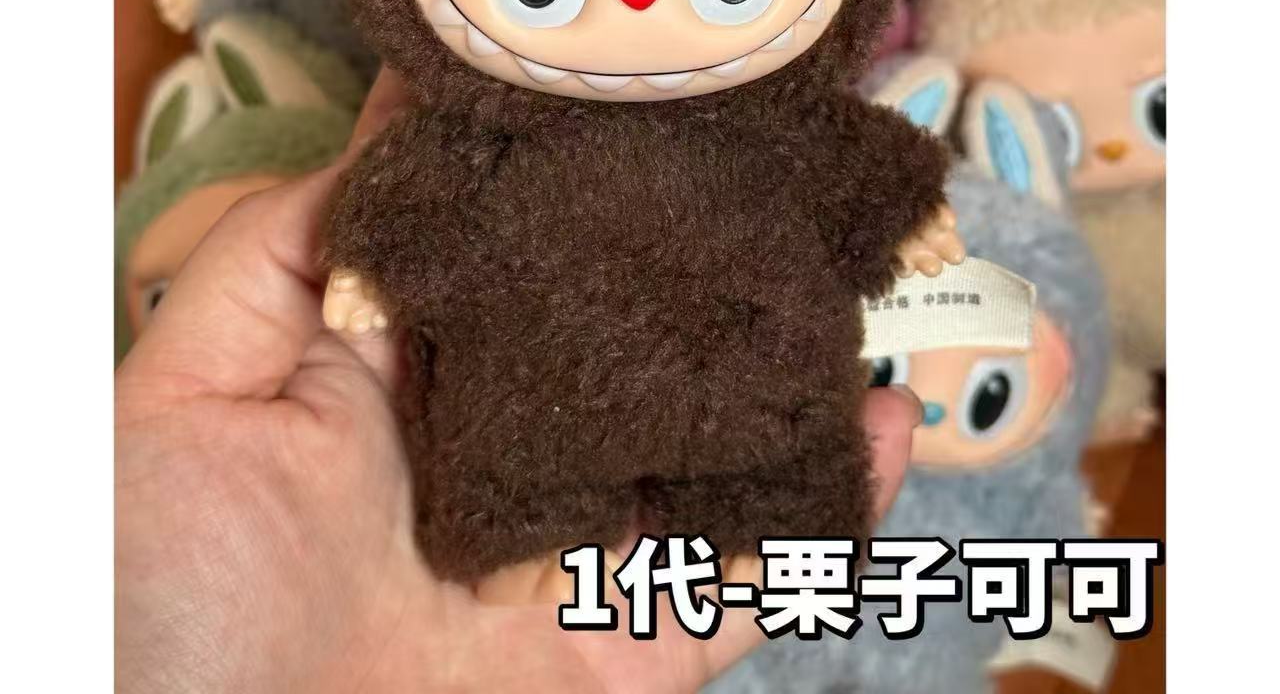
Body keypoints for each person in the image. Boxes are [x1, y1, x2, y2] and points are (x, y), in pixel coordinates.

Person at [116, 71, 922, 692]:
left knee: (779, 481)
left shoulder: (784, 120)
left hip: (759, 392)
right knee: (509, 467)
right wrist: (368, 260)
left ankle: (768, 518)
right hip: (529, 404)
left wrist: (914, 215)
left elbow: (858, 164)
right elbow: (412, 195)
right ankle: (525, 538)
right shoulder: (474, 132)